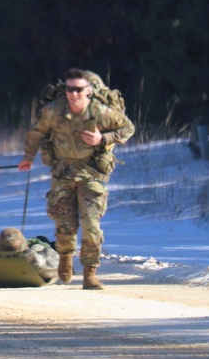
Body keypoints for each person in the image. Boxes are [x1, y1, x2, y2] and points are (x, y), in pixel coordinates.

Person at [18, 68, 135, 290]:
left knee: (91, 225)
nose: (74, 94)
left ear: (88, 91)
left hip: (91, 174)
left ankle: (90, 273)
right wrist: (28, 157)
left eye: (79, 90)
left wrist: (103, 138)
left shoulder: (100, 112)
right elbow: (37, 133)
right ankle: (65, 257)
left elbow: (128, 128)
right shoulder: (54, 111)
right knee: (65, 225)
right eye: (70, 89)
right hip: (63, 173)